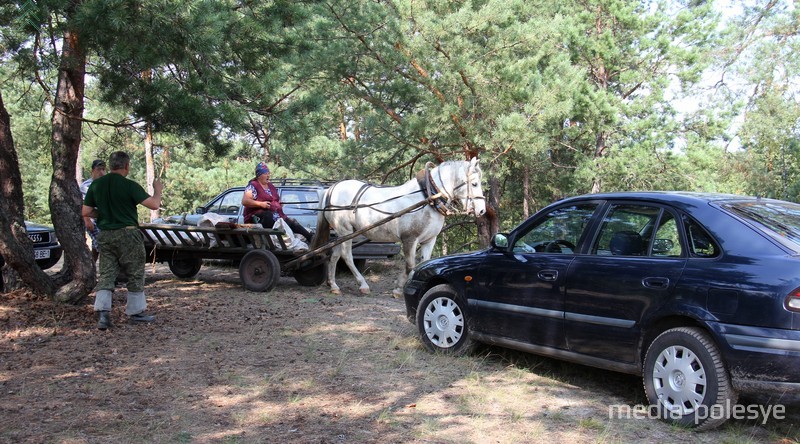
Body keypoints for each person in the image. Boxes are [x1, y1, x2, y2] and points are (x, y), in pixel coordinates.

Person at [82, 151, 163, 330]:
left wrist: (103, 213)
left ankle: (103, 313)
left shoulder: (96, 185)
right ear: (126, 166)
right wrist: (157, 189)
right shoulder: (129, 185)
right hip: (128, 234)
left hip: (106, 235)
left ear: (110, 166)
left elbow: (86, 211)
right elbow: (154, 205)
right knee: (135, 272)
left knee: (107, 273)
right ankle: (135, 312)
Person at [241, 162, 314, 243]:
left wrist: (279, 203)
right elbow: (245, 201)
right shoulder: (253, 185)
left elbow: (274, 199)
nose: (268, 175)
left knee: (292, 221)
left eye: (268, 173)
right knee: (269, 217)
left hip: (276, 215)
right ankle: (283, 240)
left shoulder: (271, 186)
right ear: (259, 175)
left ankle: (311, 238)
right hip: (258, 218)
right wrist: (261, 204)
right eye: (265, 173)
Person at [80, 159, 106, 262]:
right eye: (98, 169)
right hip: (92, 219)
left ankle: (92, 267)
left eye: (103, 169)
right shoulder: (86, 186)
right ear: (92, 171)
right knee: (101, 243)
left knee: (97, 245)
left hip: (104, 220)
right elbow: (83, 204)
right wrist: (86, 220)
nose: (101, 172)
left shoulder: (107, 184)